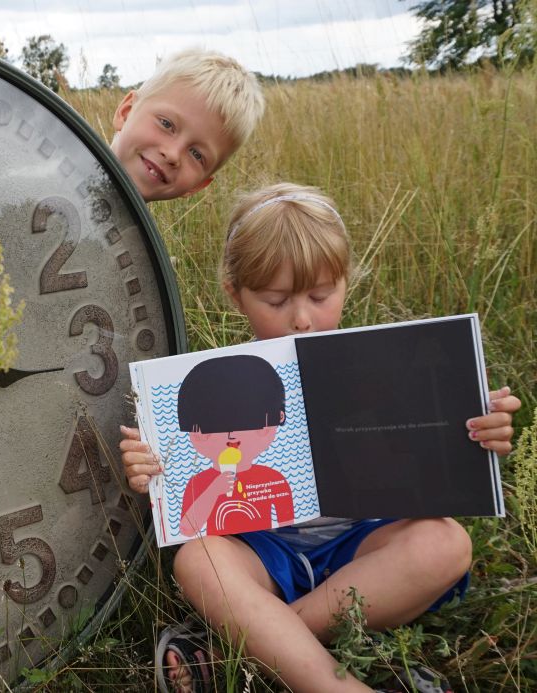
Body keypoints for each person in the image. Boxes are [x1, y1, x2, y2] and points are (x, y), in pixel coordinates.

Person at [119, 183, 522, 692]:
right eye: (275, 300)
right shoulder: (213, 384)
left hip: (363, 548)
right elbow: (190, 494)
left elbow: (434, 461)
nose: (303, 319)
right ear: (235, 292)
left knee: (447, 543)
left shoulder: (389, 364)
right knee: (198, 561)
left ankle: (248, 645)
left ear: (345, 282)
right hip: (262, 553)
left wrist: (478, 431)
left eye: (320, 295)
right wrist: (151, 466)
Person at [108, 47, 265, 203]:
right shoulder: (82, 154)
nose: (173, 154)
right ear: (126, 112)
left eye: (196, 154)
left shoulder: (137, 228)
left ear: (197, 185)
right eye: (166, 124)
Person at [174, 354, 294, 536]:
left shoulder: (274, 479)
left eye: (250, 421)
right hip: (222, 549)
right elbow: (187, 529)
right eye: (213, 425)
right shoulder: (198, 483)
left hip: (271, 548)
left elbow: (289, 525)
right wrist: (213, 491)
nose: (232, 437)